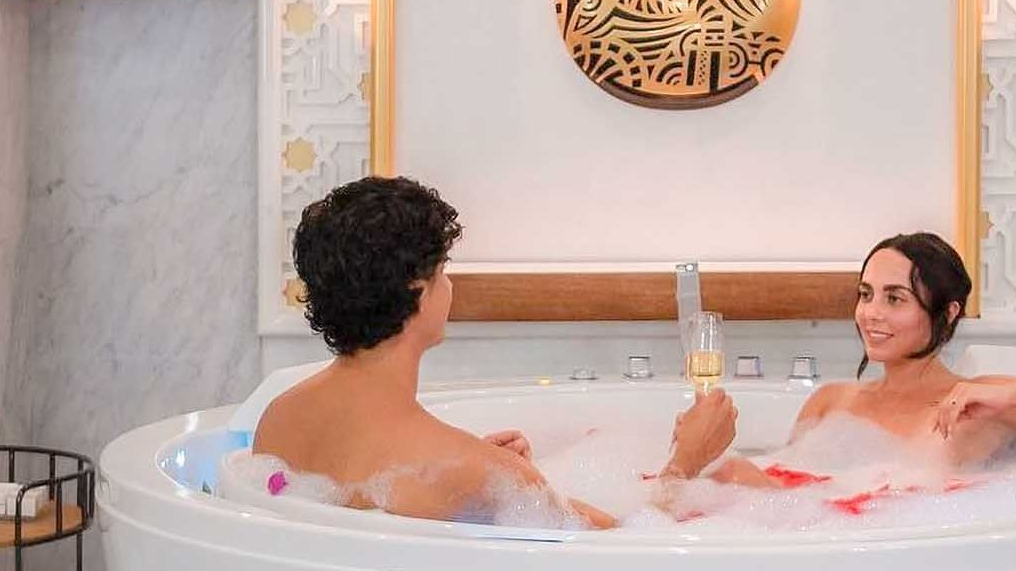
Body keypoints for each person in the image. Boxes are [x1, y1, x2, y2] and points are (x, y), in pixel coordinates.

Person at [253, 176, 737, 528]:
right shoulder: (474, 471)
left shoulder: (279, 418)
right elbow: (624, 552)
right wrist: (685, 463)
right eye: (443, 271)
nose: (449, 285)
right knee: (740, 474)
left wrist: (475, 470)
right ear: (419, 291)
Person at [710, 232, 1016, 488]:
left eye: (895, 298)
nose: (872, 313)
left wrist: (1009, 394)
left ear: (948, 312)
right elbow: (788, 502)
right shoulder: (829, 401)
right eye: (866, 295)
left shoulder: (976, 404)